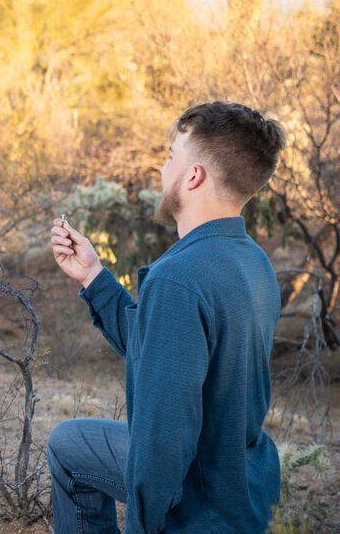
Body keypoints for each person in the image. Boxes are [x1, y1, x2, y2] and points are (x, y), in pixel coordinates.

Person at [47, 101, 286, 532]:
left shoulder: (178, 278)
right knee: (69, 441)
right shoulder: (253, 262)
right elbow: (157, 346)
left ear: (194, 176)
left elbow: (163, 442)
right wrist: (93, 276)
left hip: (202, 500)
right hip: (244, 483)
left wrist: (145, 524)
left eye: (171, 156)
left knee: (125, 455)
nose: (161, 170)